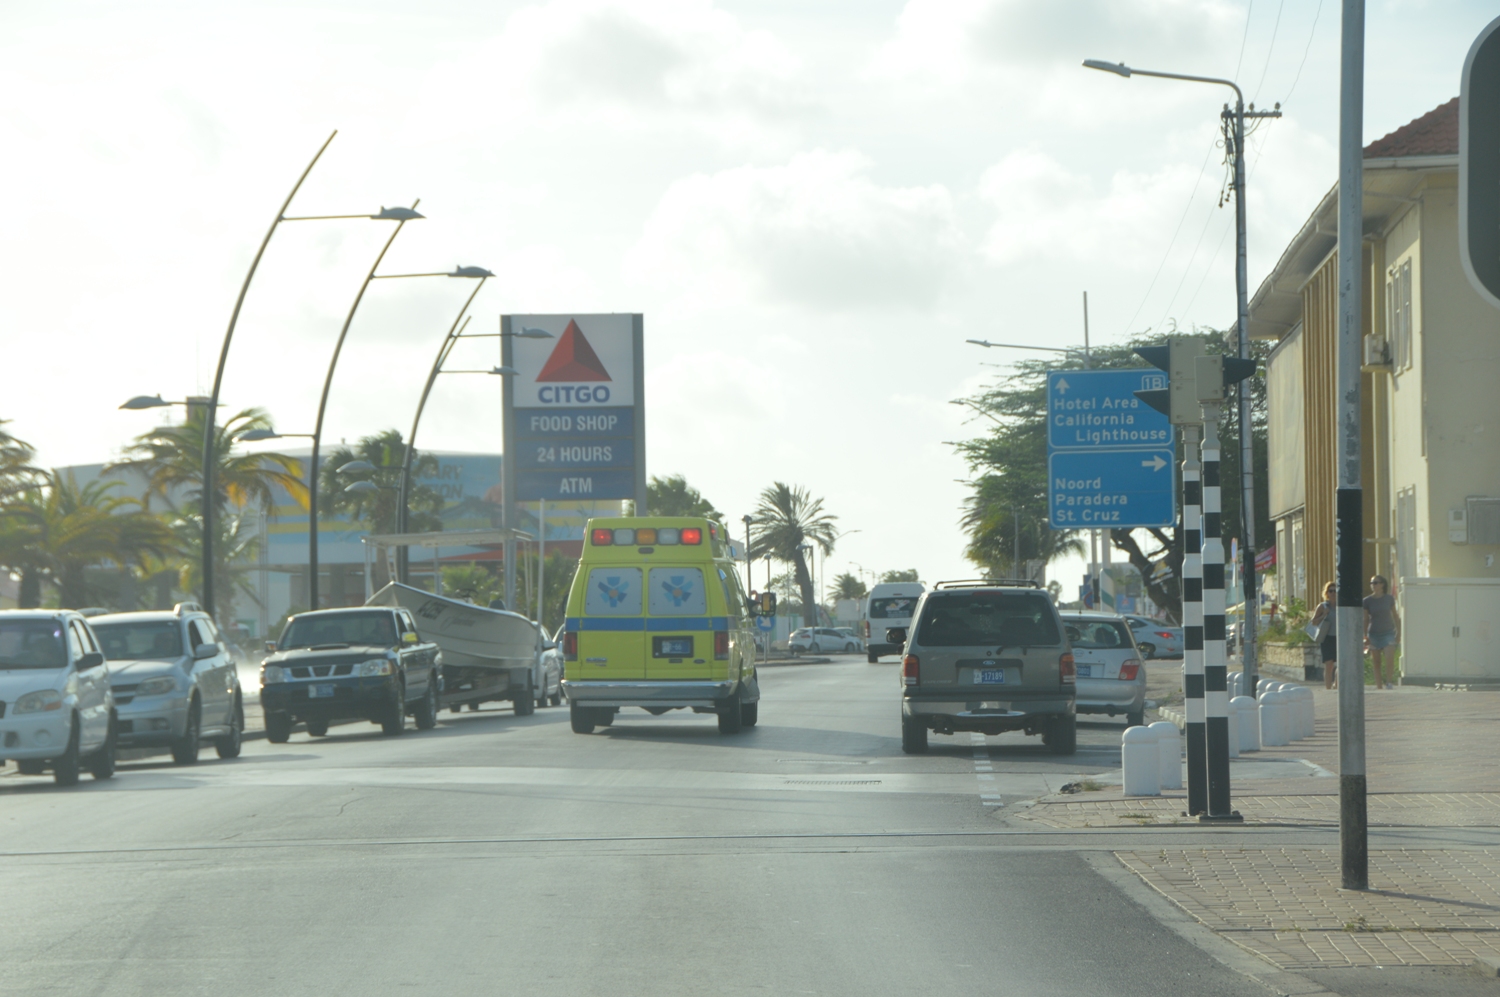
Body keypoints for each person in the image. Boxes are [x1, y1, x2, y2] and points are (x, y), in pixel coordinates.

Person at [1364, 575, 1401, 690]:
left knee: (1389, 656)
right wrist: (1364, 635)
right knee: (1376, 661)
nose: (1373, 585)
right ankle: (1379, 685)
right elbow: (1365, 619)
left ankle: (1389, 682)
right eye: (1371, 583)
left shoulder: (1389, 599)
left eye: (1375, 583)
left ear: (1382, 584)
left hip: (1388, 632)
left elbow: (1395, 616)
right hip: (1374, 633)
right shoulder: (1367, 601)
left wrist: (1399, 632)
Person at [1309, 582, 1338, 689]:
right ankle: (1328, 687)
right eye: (1331, 591)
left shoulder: (1342, 606)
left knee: (1341, 664)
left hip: (1339, 637)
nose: (1333, 593)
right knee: (1329, 665)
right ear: (1327, 593)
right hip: (1327, 638)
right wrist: (1324, 614)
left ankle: (1336, 684)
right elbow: (1313, 622)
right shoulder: (1322, 606)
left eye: (1335, 591)